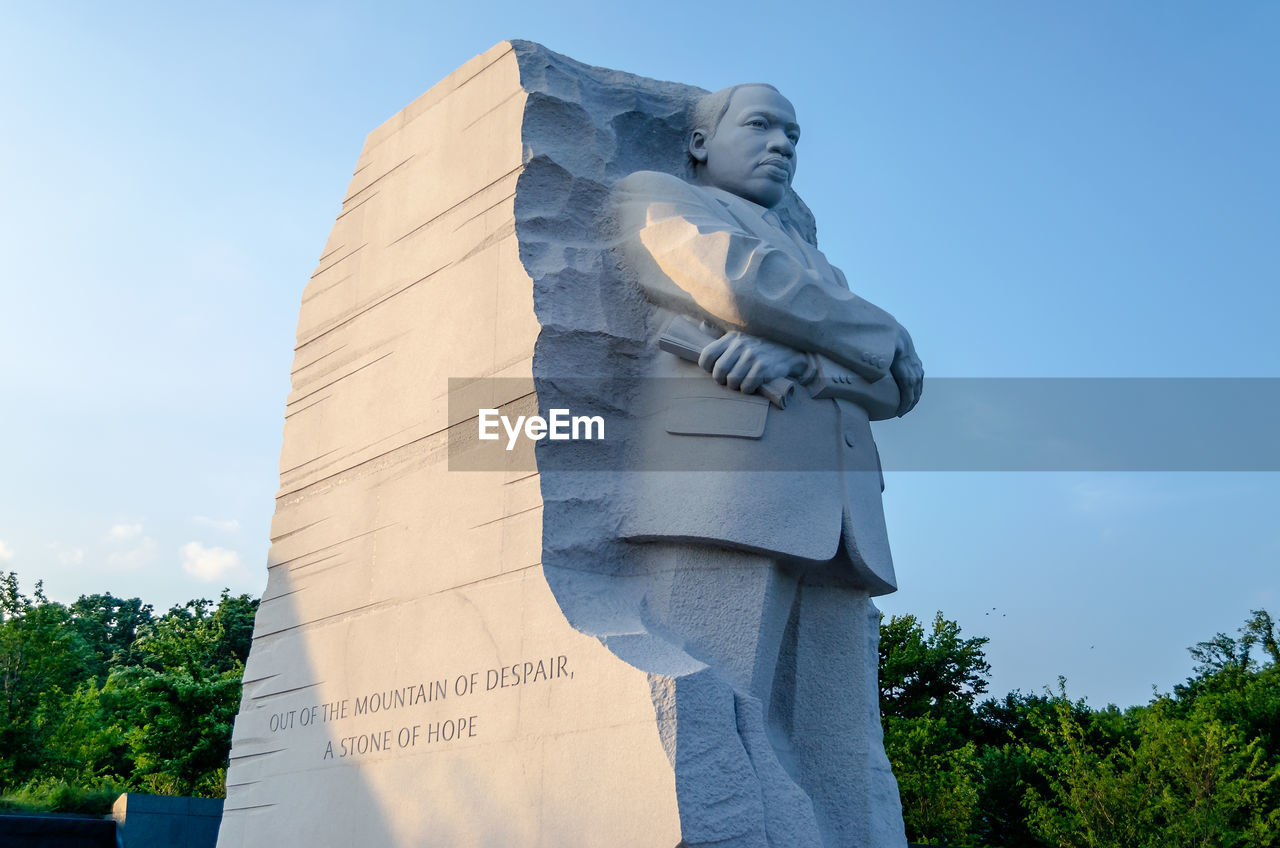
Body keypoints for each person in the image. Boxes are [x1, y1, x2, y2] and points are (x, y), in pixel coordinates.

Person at [611, 83, 922, 848]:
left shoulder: (821, 268)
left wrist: (804, 356)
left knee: (846, 751)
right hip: (726, 490)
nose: (782, 143)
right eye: (760, 125)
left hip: (842, 516)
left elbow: (898, 384)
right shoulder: (659, 197)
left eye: (793, 133)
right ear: (699, 143)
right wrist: (880, 331)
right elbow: (736, 282)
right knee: (715, 720)